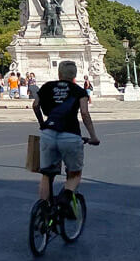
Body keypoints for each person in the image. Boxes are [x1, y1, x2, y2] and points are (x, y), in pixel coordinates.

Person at [32, 60, 100, 215]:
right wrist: (93, 136)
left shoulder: (47, 86)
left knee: (47, 174)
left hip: (48, 132)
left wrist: (42, 122)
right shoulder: (79, 91)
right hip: (70, 134)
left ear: (59, 73)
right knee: (75, 173)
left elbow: (35, 105)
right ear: (75, 75)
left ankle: (43, 211)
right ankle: (66, 196)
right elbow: (84, 113)